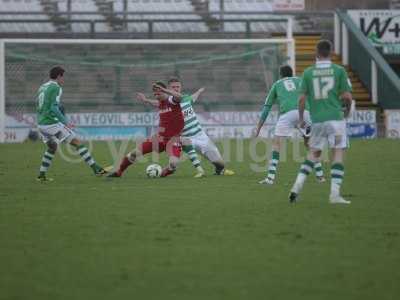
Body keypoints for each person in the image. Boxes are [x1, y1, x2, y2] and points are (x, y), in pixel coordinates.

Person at [289, 40, 353, 204]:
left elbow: (302, 99)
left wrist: (302, 119)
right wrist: (346, 111)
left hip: (317, 121)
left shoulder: (308, 72)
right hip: (335, 119)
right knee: (337, 153)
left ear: (316, 53)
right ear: (330, 52)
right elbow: (347, 97)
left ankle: (296, 187)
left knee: (313, 153)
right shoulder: (338, 71)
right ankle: (334, 195)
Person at [254, 65, 325, 185]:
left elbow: (267, 108)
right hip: (305, 112)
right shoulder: (301, 80)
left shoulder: (277, 84)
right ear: (292, 74)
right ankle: (320, 176)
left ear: (281, 74)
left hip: (287, 114)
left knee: (276, 145)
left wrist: (258, 127)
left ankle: (270, 178)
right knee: (310, 144)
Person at [36, 66, 106, 182]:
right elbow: (53, 107)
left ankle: (41, 175)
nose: (64, 79)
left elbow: (40, 105)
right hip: (52, 124)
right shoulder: (56, 87)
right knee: (77, 143)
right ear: (59, 76)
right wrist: (65, 122)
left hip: (42, 124)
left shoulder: (43, 87)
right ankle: (96, 168)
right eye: (63, 76)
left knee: (52, 147)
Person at [107, 81, 184, 178]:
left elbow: (180, 97)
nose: (156, 95)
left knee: (173, 165)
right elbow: (156, 103)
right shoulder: (160, 102)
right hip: (159, 138)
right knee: (133, 154)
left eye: (158, 92)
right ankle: (119, 172)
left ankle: (161, 174)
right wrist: (146, 100)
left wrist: (164, 89)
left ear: (164, 91)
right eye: (154, 93)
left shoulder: (172, 100)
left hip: (173, 139)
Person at [168, 77, 235, 176]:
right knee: (176, 157)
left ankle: (219, 171)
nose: (176, 89)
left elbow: (193, 98)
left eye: (178, 86)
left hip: (201, 135)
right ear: (168, 89)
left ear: (181, 87)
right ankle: (198, 170)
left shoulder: (185, 98)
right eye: (173, 87)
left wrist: (199, 91)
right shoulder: (169, 104)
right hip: (185, 137)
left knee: (220, 164)